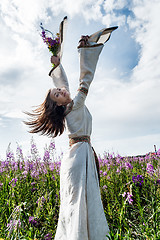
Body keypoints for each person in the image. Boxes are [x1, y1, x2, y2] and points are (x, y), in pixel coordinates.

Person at [25, 17, 118, 240]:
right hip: (79, 157)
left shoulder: (68, 106)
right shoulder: (75, 104)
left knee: (75, 202)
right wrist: (85, 51)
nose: (61, 91)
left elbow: (64, 83)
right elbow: (85, 80)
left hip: (75, 156)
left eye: (59, 90)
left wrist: (57, 65)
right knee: (80, 201)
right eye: (57, 94)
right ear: (58, 103)